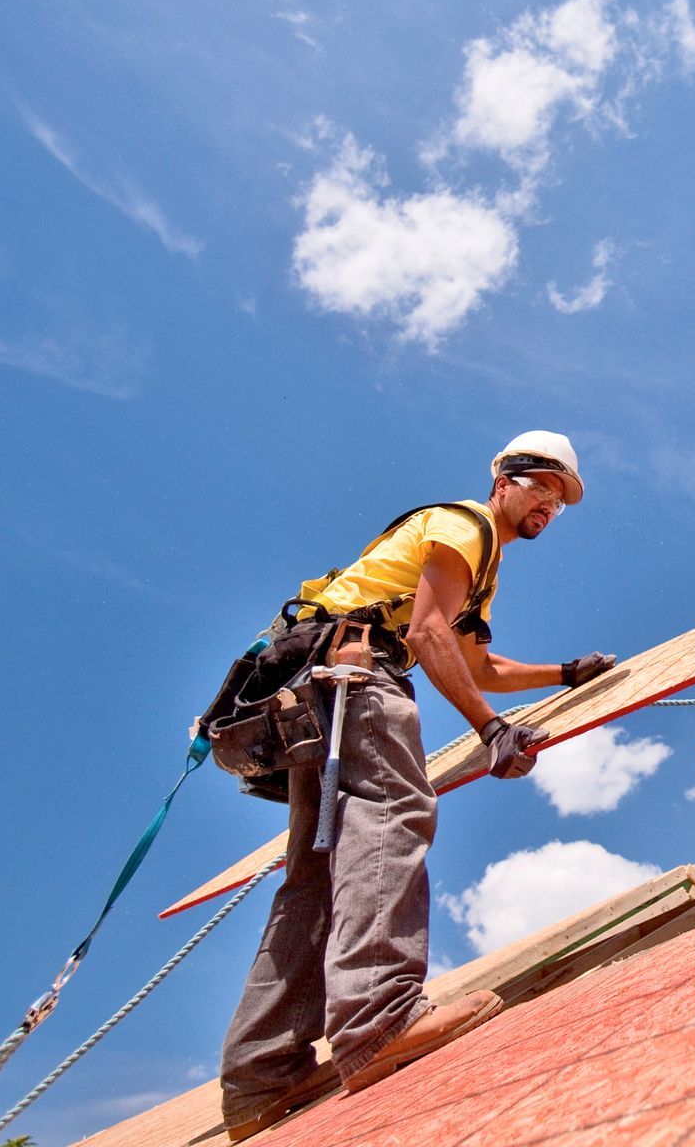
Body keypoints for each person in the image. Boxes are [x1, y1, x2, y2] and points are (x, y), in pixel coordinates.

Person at [217, 431, 615, 1140]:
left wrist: (562, 673)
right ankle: (377, 1019)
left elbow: (479, 664)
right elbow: (430, 636)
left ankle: (260, 1079)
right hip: (358, 679)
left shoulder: (476, 566)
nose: (550, 506)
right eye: (541, 487)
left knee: (313, 871)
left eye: (561, 500)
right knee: (393, 814)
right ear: (504, 481)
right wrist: (494, 732)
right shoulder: (464, 526)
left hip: (316, 689)